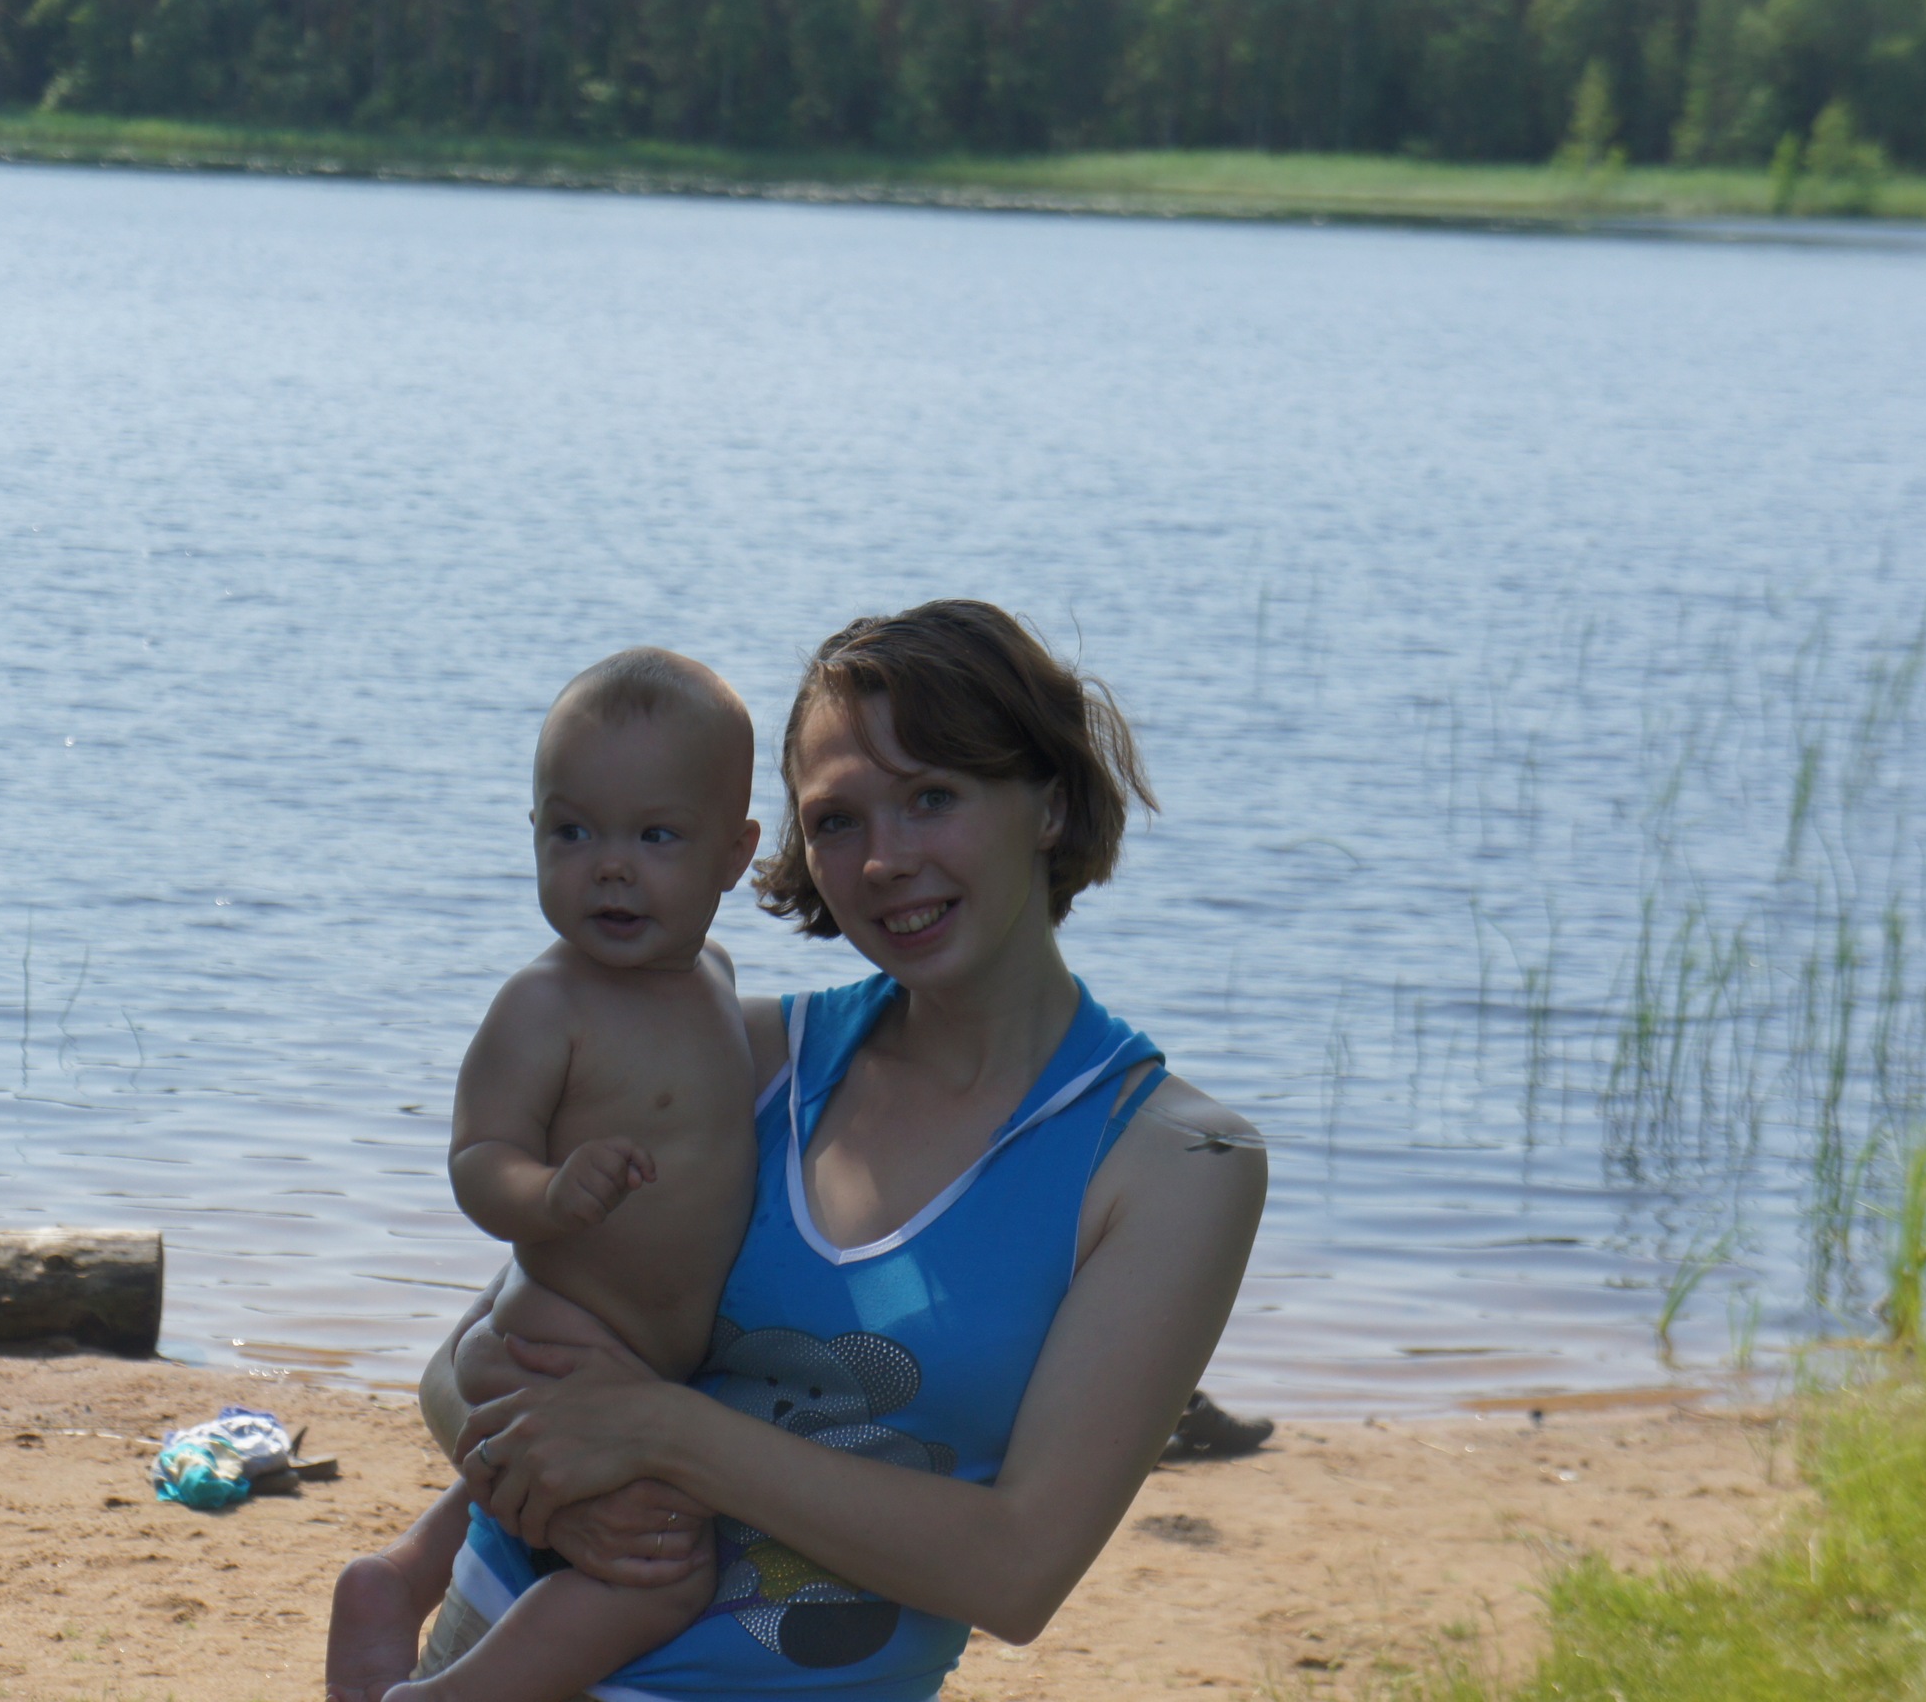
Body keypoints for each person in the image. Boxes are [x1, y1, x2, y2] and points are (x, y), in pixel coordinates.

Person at [399, 600, 1268, 1702]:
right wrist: (560, 1500)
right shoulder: (745, 1057)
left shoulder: (1175, 1163)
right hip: (487, 1651)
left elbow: (1016, 1573)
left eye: (933, 797)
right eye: (837, 820)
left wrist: (665, 1433)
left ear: (1049, 802)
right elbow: (459, 1365)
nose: (884, 861)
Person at [327, 649, 766, 1702]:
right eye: (572, 833)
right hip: (559, 1340)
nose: (609, 867)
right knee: (664, 1569)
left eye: (655, 836)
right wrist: (548, 1192)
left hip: (632, 1356)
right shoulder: (546, 1004)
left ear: (735, 854)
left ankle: (399, 1580)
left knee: (541, 1487)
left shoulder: (715, 979)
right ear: (532, 834)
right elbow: (477, 1160)